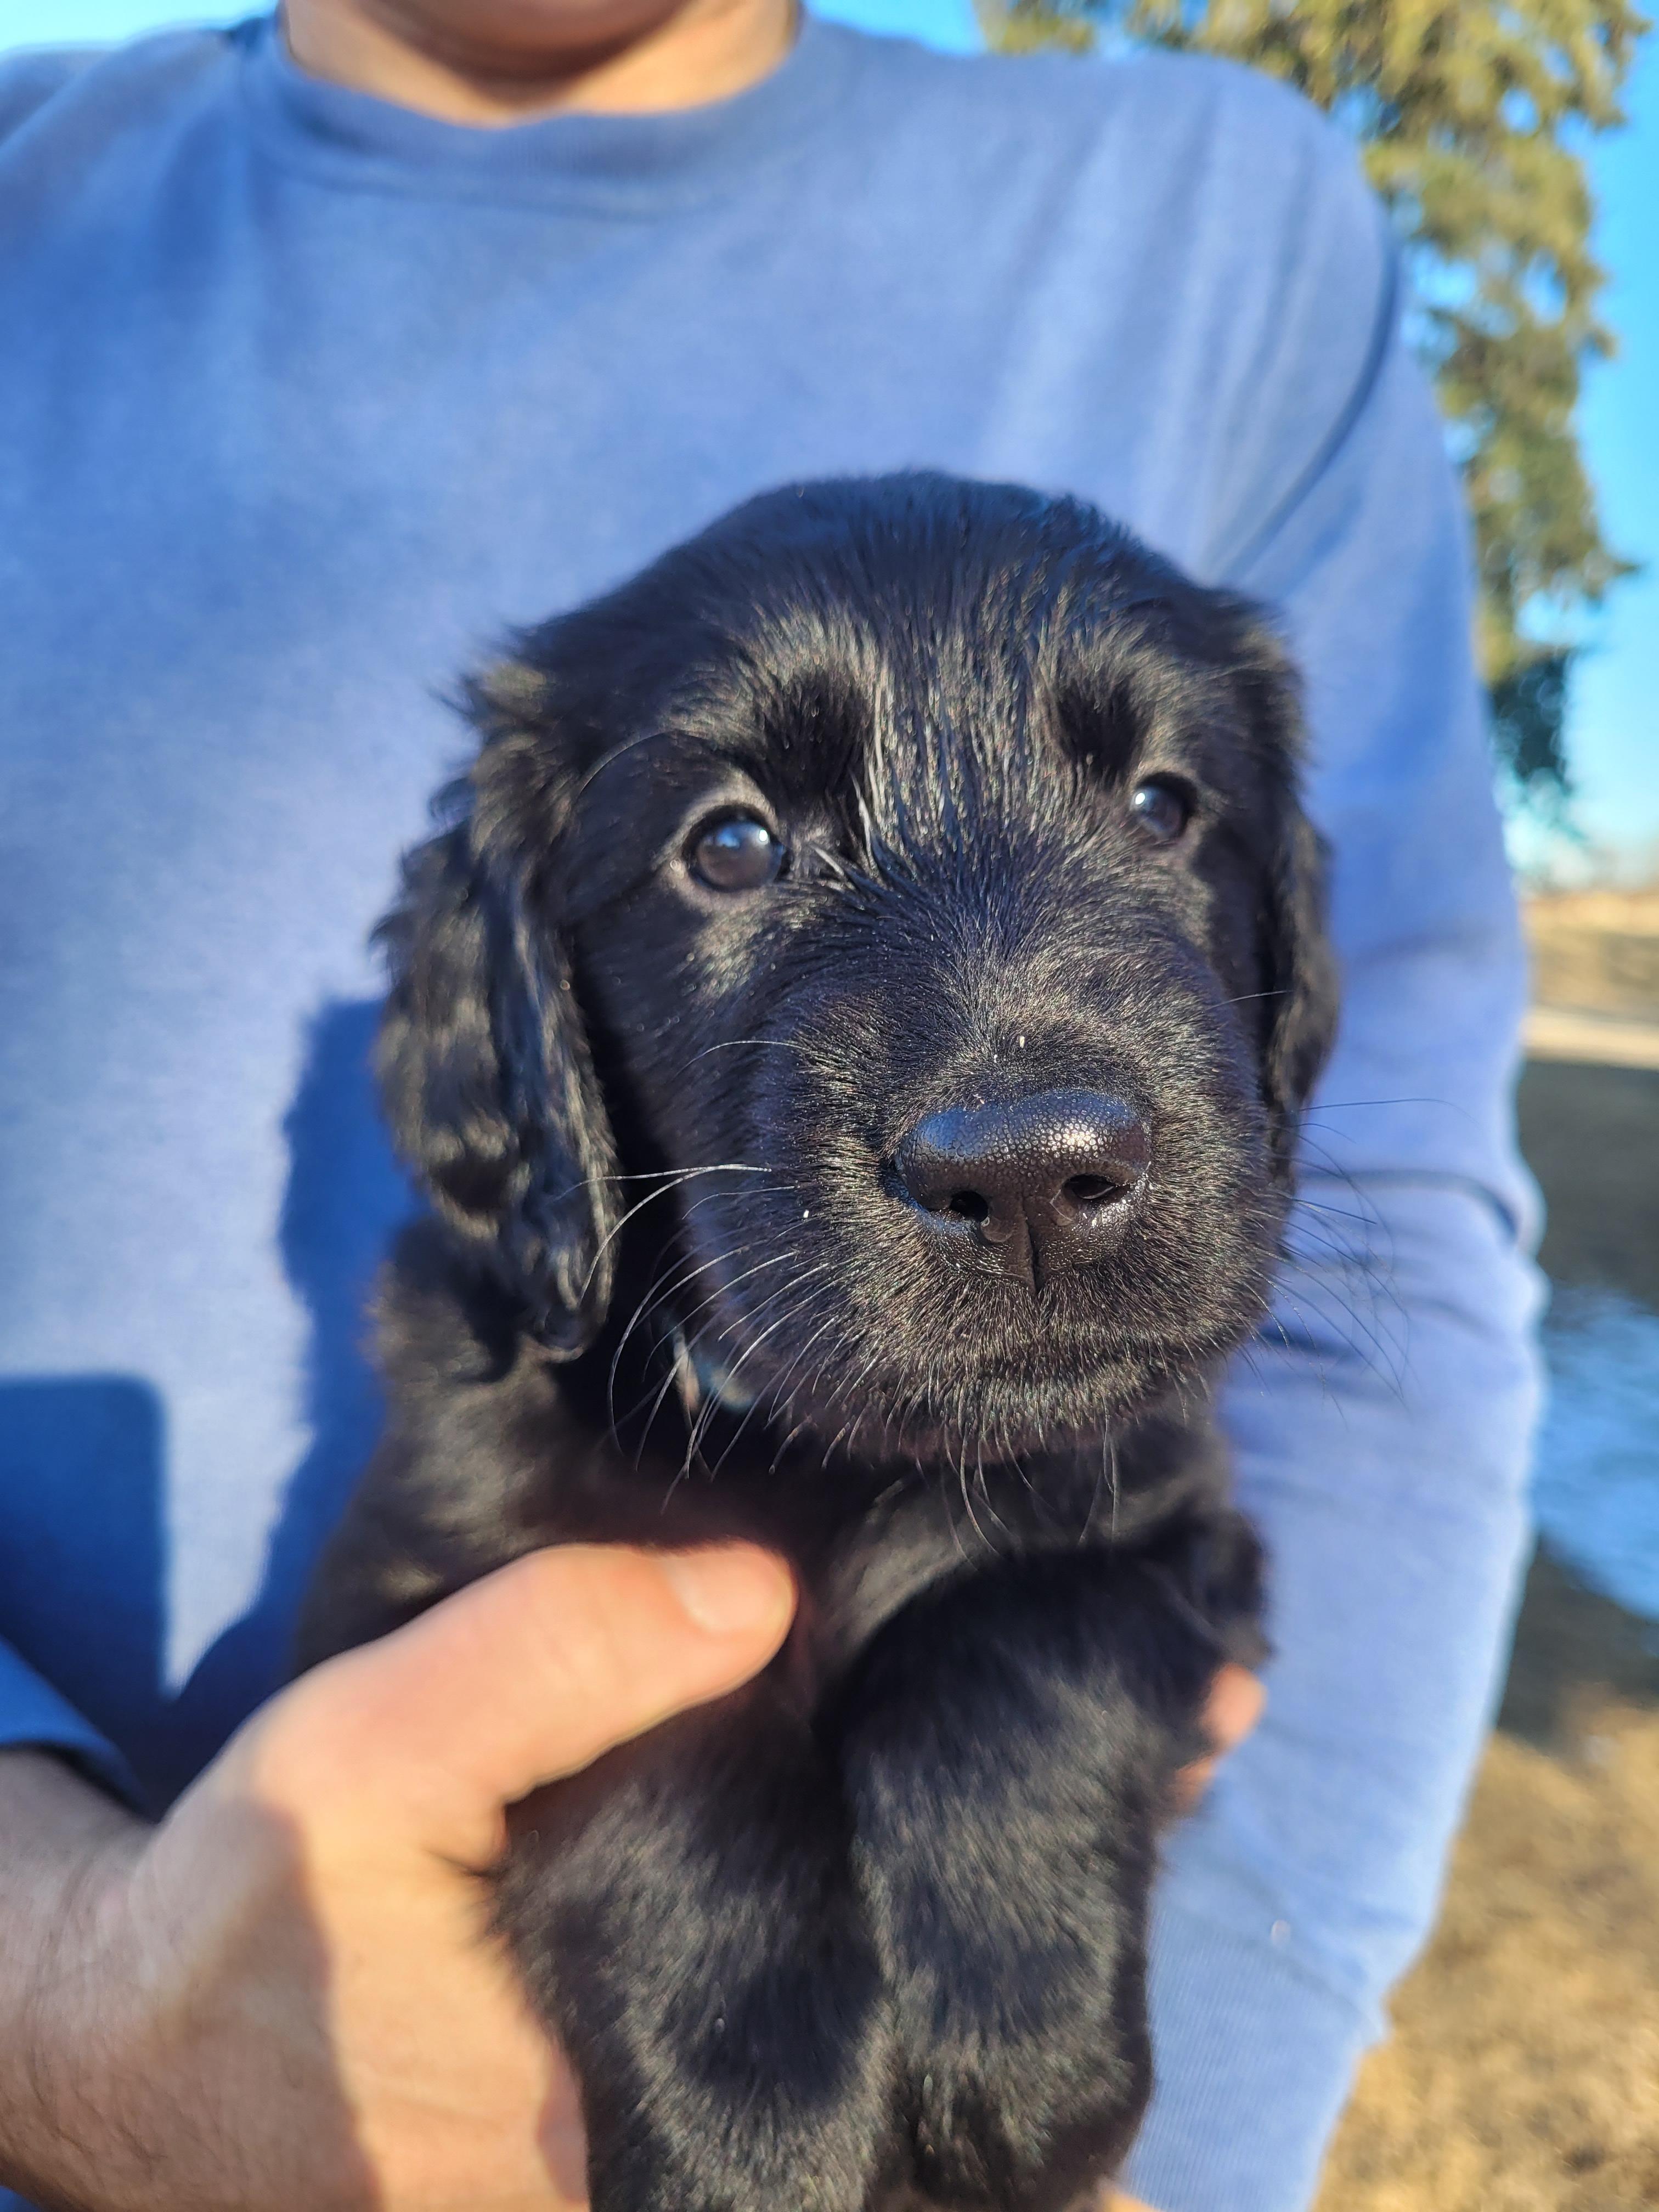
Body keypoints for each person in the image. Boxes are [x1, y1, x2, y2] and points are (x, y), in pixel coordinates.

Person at [0, 2, 1542, 2208]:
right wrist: (71, 2000)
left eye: (1155, 803)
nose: (1023, 1118)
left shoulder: (1233, 215)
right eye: (731, 846)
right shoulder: (516, 1429)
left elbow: (1332, 1366)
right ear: (531, 1018)